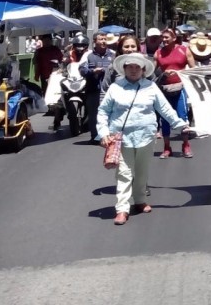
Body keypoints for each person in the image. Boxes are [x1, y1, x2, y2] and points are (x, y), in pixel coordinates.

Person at [97, 53, 191, 225]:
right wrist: (103, 132)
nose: (133, 70)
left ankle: (139, 200)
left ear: (143, 70)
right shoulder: (116, 87)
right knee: (124, 173)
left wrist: (180, 124)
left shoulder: (151, 87)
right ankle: (122, 209)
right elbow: (103, 111)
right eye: (130, 67)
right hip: (121, 137)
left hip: (146, 136)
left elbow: (165, 109)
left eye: (137, 67)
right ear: (124, 69)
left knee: (142, 172)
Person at [154, 28, 193, 159]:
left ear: (174, 38)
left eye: (167, 37)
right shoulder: (158, 53)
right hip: (164, 90)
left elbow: (194, 70)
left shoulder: (184, 50)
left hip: (180, 88)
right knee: (165, 118)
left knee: (182, 117)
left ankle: (186, 145)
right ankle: (166, 147)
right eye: (163, 38)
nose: (164, 40)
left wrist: (179, 74)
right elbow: (151, 73)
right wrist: (163, 74)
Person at [78, 31, 116, 143]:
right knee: (93, 114)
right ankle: (95, 136)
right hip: (93, 89)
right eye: (101, 39)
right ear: (95, 41)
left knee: (110, 113)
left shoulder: (113, 55)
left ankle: (109, 135)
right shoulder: (88, 55)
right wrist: (92, 71)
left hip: (110, 91)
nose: (103, 41)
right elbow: (81, 70)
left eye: (105, 39)